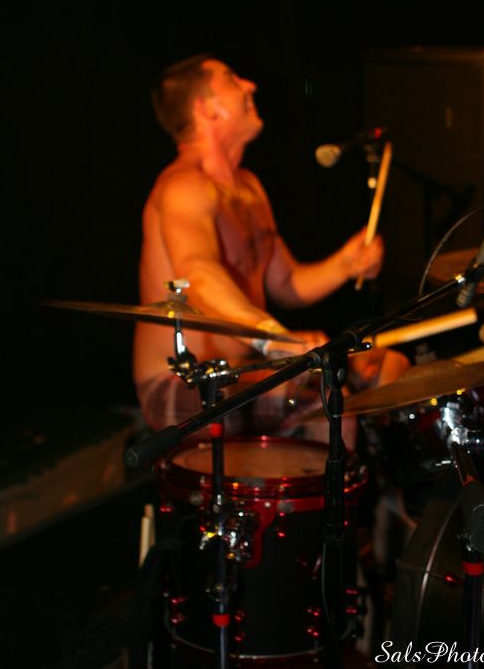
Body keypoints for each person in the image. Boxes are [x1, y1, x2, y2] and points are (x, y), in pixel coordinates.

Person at [133, 54, 409, 444]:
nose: (251, 85)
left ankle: (376, 480)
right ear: (206, 108)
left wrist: (346, 264)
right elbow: (197, 274)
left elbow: (287, 284)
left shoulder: (248, 187)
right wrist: (273, 337)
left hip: (244, 368)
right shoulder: (183, 186)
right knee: (325, 398)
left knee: (388, 366)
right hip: (181, 383)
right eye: (233, 80)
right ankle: (338, 484)